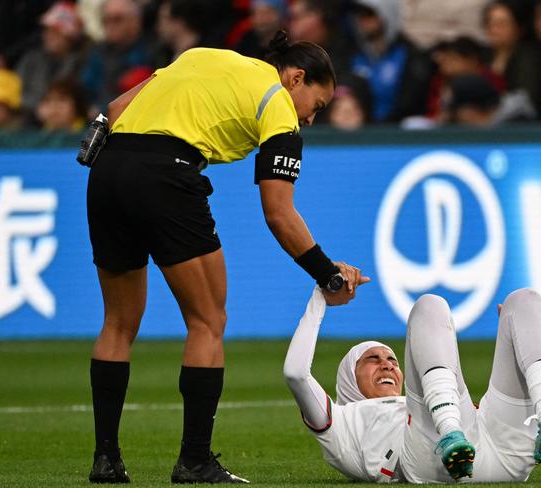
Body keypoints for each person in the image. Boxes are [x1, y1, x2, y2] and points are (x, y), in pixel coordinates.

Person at [85, 30, 366, 484]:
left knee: (117, 324)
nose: (311, 120)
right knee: (207, 322)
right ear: (296, 78)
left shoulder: (202, 56)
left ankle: (106, 460)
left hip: (108, 170)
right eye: (317, 106)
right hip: (168, 176)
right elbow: (278, 213)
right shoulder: (278, 105)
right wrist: (327, 274)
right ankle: (194, 461)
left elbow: (116, 109)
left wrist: (100, 127)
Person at [284, 286, 541, 483]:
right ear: (348, 377)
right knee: (429, 305)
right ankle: (449, 434)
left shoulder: (415, 401)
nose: (387, 363)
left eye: (392, 359)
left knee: (524, 301)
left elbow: (484, 414)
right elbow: (296, 373)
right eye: (372, 360)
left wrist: (512, 339)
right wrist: (320, 297)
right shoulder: (341, 422)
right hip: (431, 461)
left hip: (501, 454)